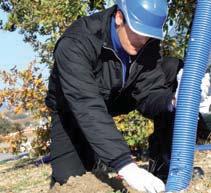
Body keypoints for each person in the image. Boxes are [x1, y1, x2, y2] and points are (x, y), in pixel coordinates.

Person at [45, 0, 206, 192]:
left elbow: (150, 92)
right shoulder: (76, 43)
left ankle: (164, 166)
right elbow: (86, 105)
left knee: (174, 70)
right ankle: (95, 160)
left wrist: (173, 101)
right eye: (139, 33)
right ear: (119, 17)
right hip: (74, 108)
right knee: (72, 181)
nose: (143, 41)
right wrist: (126, 165)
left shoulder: (145, 40)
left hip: (119, 95)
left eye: (149, 36)